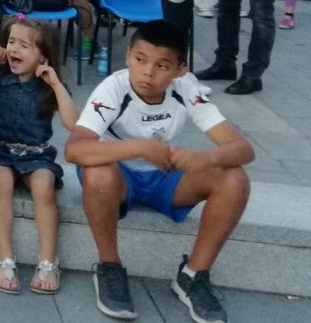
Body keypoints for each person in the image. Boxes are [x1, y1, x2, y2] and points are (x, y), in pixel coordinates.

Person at [65, 22, 253, 323]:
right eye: (139, 60)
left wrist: (205, 158)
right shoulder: (114, 87)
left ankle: (193, 275)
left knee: (235, 178)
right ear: (128, 57)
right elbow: (75, 149)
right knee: (97, 172)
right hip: (119, 178)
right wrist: (139, 147)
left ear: (180, 69)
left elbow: (243, 149)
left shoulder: (185, 88)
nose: (148, 72)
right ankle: (110, 267)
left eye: (161, 65)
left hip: (166, 175)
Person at [0, 19, 78, 295]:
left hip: (37, 154)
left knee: (44, 186)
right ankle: (5, 257)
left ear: (43, 55)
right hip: (0, 148)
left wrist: (55, 83)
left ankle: (47, 260)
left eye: (24, 45)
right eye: (11, 42)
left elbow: (73, 123)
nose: (14, 49)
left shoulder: (48, 85)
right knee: (1, 181)